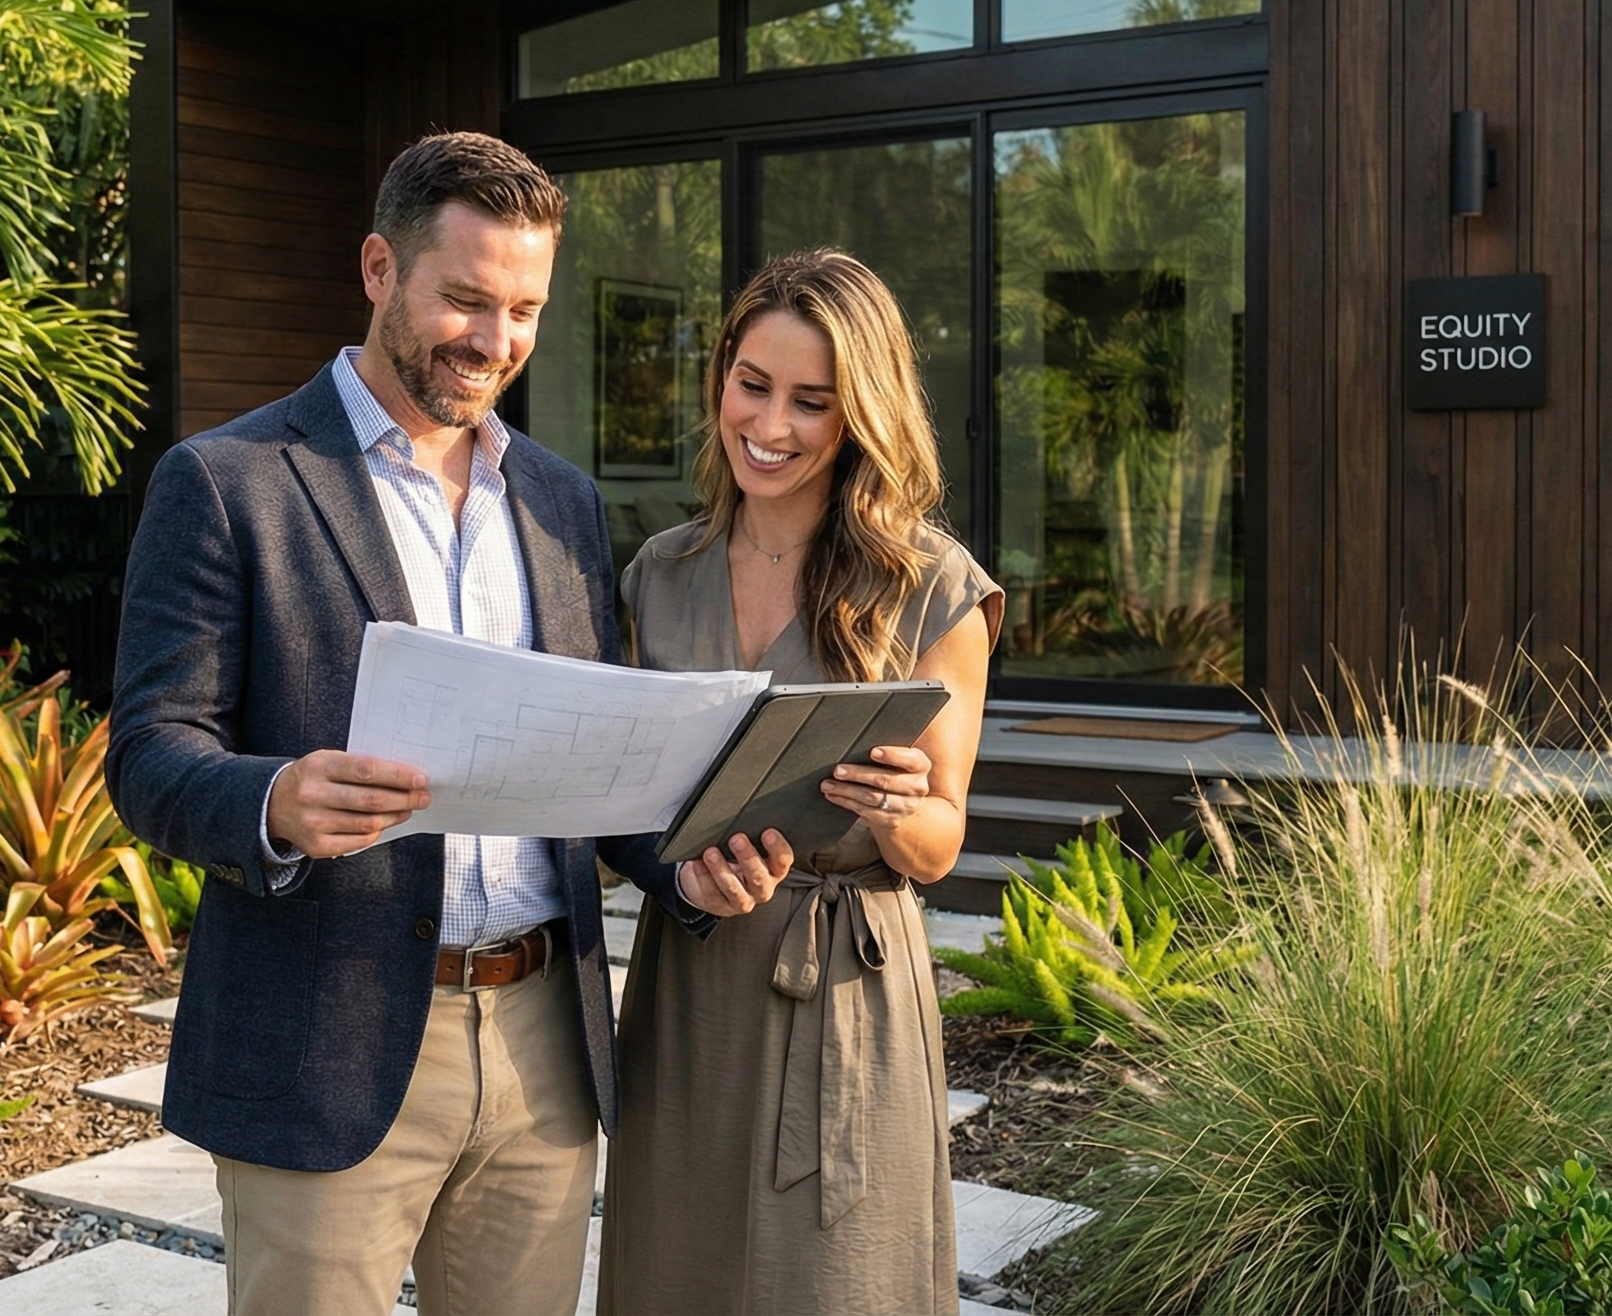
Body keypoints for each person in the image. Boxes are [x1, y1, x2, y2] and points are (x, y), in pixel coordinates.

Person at [104, 131, 796, 1316]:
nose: (494, 341)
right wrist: (272, 802)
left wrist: (694, 869)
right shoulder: (229, 481)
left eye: (522, 309)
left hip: (542, 1040)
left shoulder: (563, 500)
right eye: (465, 300)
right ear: (380, 269)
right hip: (323, 1041)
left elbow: (599, 770)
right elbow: (151, 750)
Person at [600, 249, 1004, 1316]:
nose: (769, 427)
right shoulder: (657, 574)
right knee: (673, 1272)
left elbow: (939, 847)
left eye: (810, 402)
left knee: (836, 1283)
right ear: (720, 376)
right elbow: (622, 801)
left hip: (846, 991)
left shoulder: (929, 589)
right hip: (690, 982)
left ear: (857, 413)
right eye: (752, 384)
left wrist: (901, 808)